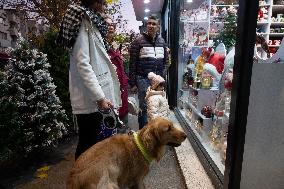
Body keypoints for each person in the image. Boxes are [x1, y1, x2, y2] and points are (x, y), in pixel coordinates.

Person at [57, 0, 121, 160]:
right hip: (91, 100)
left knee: (94, 145)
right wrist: (99, 97)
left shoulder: (91, 20)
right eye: (101, 1)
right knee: (88, 145)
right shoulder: (81, 19)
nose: (104, 4)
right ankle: (80, 181)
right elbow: (83, 63)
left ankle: (88, 179)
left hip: (95, 97)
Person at [128, 15, 169, 129]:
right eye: (149, 23)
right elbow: (132, 63)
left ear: (158, 26)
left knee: (157, 107)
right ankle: (143, 134)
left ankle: (155, 133)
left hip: (158, 81)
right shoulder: (138, 41)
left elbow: (166, 61)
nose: (151, 26)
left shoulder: (162, 42)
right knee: (145, 107)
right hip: (143, 79)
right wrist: (132, 83)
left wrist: (162, 76)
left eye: (154, 24)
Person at [105, 16, 129, 126]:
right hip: (109, 90)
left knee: (124, 120)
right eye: (107, 24)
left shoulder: (115, 45)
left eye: (112, 25)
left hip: (122, 89)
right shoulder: (100, 46)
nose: (111, 27)